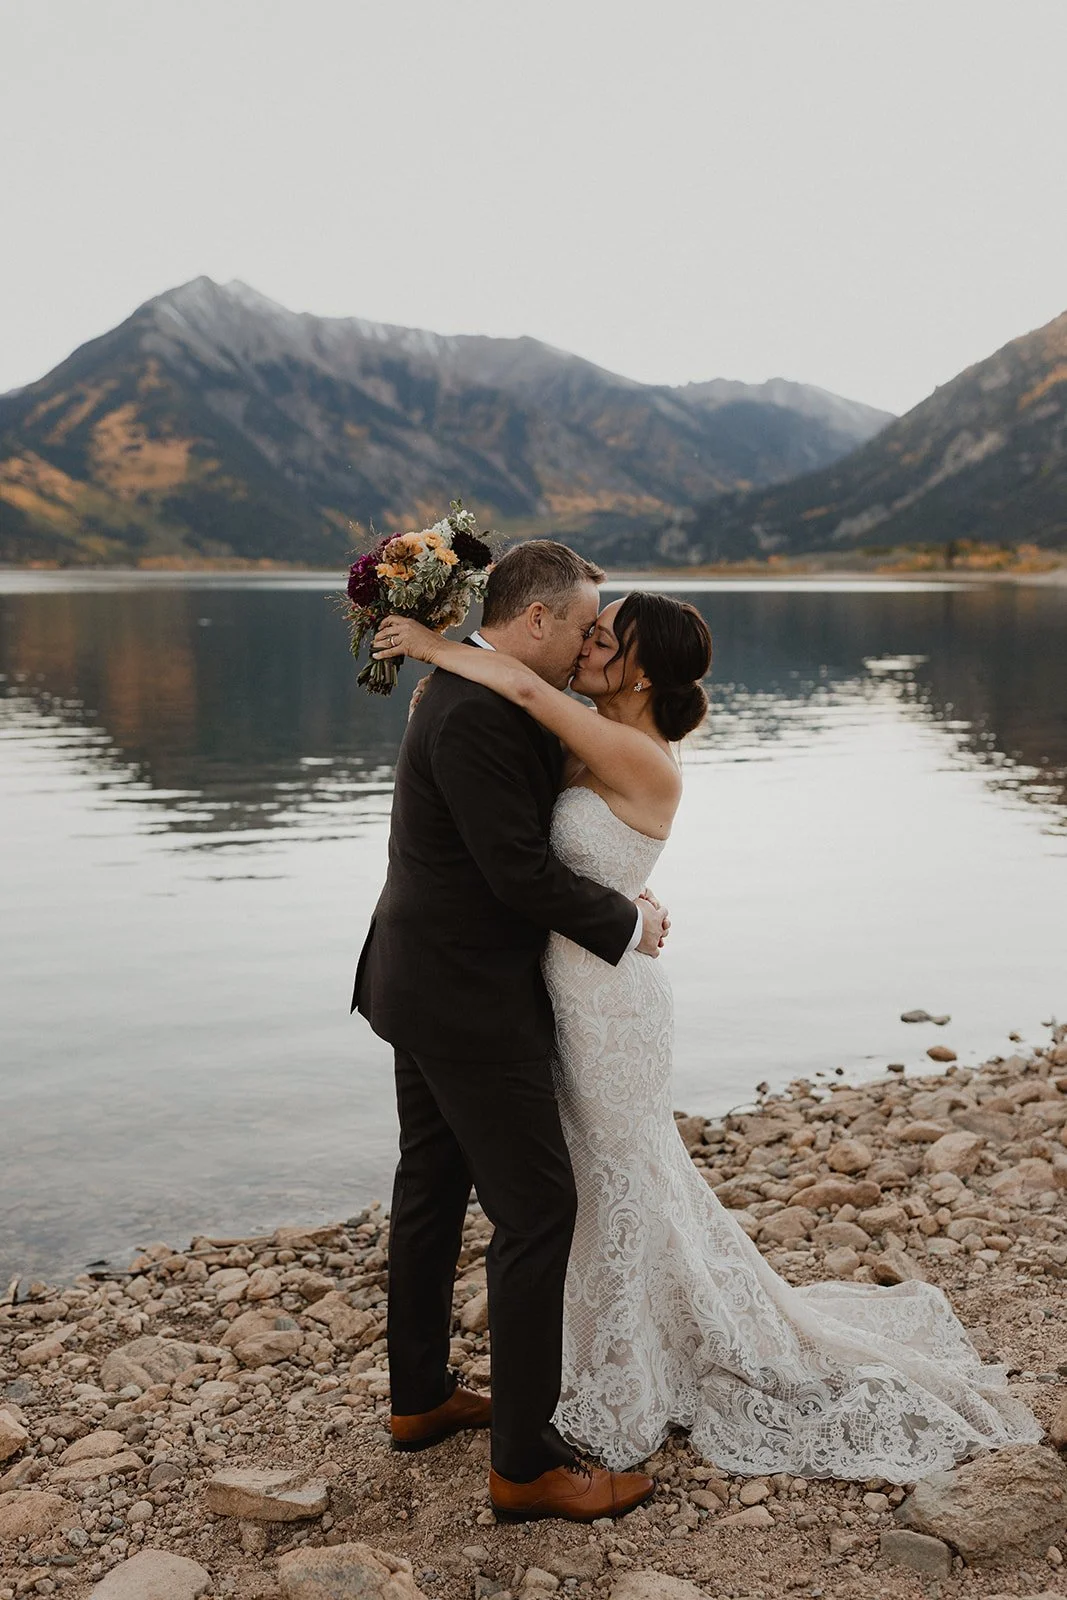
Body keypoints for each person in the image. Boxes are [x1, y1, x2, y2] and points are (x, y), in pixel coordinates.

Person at [371, 587, 1042, 1483]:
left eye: (605, 636)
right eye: (585, 625)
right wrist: (450, 680)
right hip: (537, 989)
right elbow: (525, 800)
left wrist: (432, 647)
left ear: (640, 667)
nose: (588, 644)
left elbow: (530, 738)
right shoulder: (558, 724)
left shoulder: (635, 752)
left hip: (603, 1004)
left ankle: (593, 1383)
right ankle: (495, 1388)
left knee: (603, 1179)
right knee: (566, 1187)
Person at [353, 541, 666, 1523]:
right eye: (581, 626)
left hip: (419, 977)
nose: (586, 645)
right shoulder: (479, 709)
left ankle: (418, 1399)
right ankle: (525, 1463)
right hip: (467, 999)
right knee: (538, 1211)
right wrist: (628, 923)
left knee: (432, 1185)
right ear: (536, 620)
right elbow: (516, 874)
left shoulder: (472, 690)